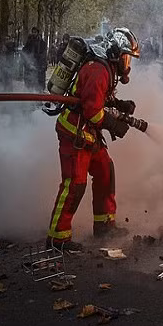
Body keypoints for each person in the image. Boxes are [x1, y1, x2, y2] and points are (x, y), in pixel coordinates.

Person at [45, 28, 140, 251]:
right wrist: (114, 124)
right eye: (126, 57)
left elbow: (98, 97)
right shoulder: (98, 70)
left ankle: (104, 226)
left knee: (105, 171)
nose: (127, 64)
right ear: (116, 53)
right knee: (75, 185)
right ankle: (57, 238)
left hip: (88, 133)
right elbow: (92, 111)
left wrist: (118, 104)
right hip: (75, 134)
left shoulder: (105, 67)